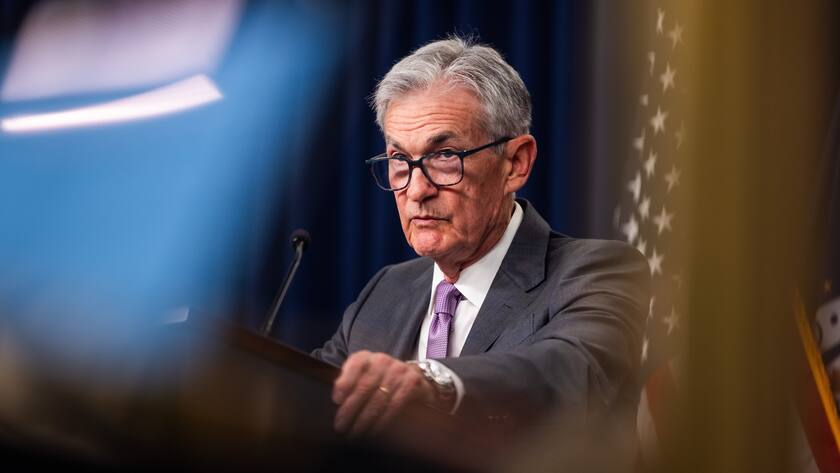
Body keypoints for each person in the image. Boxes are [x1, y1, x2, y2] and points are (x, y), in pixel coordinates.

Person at [313, 36, 650, 443]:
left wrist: (434, 381)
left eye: (444, 156)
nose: (416, 189)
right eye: (400, 161)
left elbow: (568, 369)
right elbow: (307, 403)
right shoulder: (386, 292)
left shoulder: (596, 272)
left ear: (515, 163)